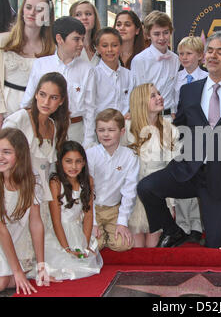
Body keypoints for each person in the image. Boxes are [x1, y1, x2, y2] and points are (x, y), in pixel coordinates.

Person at [137, 30, 221, 249]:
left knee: (217, 245)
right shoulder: (188, 91)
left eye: (220, 52)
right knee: (147, 187)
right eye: (209, 51)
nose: (212, 56)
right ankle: (173, 231)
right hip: (188, 170)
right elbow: (179, 127)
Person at [3, 72, 69, 234]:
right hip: (13, 196)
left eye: (53, 98)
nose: (46, 102)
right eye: (42, 94)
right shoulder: (18, 120)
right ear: (35, 94)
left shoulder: (55, 126)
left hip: (41, 198)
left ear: (61, 101)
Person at [21, 16, 96, 147]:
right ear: (59, 39)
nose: (81, 44)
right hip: (44, 128)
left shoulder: (87, 69)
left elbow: (90, 108)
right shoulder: (41, 65)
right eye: (76, 39)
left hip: (74, 130)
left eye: (82, 39)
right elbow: (28, 100)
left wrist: (88, 141)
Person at [121, 84, 181, 247]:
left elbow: (173, 169)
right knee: (137, 248)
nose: (160, 97)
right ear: (140, 101)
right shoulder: (126, 129)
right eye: (153, 95)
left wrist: (172, 203)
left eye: (159, 94)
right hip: (132, 197)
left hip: (157, 196)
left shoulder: (170, 129)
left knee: (154, 248)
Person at [44, 141, 103, 280]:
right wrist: (66, 249)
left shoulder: (88, 181)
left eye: (78, 161)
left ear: (84, 163)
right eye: (68, 161)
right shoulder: (55, 183)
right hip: (59, 233)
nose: (74, 166)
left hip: (77, 232)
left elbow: (88, 216)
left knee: (87, 264)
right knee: (66, 266)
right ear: (60, 162)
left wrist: (85, 244)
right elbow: (56, 221)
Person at [0, 128, 47, 295]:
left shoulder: (31, 181)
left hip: (9, 243)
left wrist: (41, 266)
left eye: (6, 152)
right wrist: (17, 270)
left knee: (9, 280)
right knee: (4, 281)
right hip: (2, 238)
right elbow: (1, 229)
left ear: (20, 155)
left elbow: (36, 223)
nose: (0, 157)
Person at [87, 109, 139, 252]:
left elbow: (129, 191)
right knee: (94, 245)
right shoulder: (90, 155)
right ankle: (100, 237)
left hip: (113, 209)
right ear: (96, 131)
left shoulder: (130, 156)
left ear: (122, 132)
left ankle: (106, 235)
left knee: (124, 244)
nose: (105, 134)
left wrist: (122, 222)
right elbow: (86, 190)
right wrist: (92, 223)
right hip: (93, 208)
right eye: (101, 130)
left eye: (111, 130)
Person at [0, 0, 55, 124]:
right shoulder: (3, 40)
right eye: (28, 7)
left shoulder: (53, 48)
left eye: (39, 9)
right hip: (6, 110)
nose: (32, 13)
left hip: (37, 113)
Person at [174, 36, 208, 243]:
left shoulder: (206, 78)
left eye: (189, 53)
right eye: (181, 54)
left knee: (196, 178)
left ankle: (196, 225)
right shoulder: (175, 78)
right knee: (181, 176)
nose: (184, 57)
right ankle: (182, 224)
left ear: (200, 56)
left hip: (201, 134)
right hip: (180, 133)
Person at [131, 10, 180, 119]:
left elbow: (175, 91)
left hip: (170, 119)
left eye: (166, 32)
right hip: (148, 118)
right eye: (157, 34)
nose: (162, 38)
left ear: (171, 32)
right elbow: (138, 94)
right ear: (148, 35)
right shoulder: (140, 60)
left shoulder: (176, 59)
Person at [94, 27, 133, 115]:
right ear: (98, 48)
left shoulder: (129, 75)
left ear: (121, 46)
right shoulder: (94, 75)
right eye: (105, 46)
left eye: (114, 45)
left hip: (124, 125)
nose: (110, 50)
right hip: (102, 126)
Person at [69, 0, 101, 66]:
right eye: (78, 14)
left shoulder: (102, 46)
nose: (84, 17)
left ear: (95, 18)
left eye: (88, 14)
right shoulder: (66, 47)